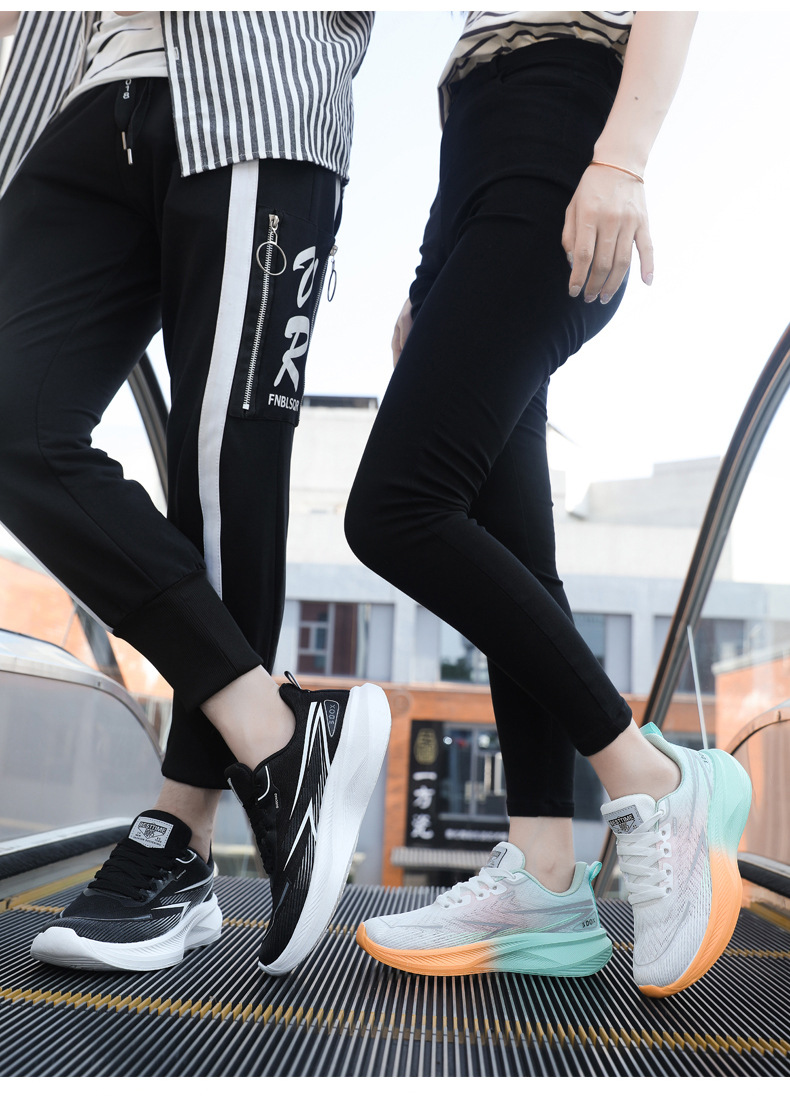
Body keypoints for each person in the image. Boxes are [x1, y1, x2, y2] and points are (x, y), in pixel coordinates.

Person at [345, 10, 753, 998]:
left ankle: (653, 779)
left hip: (559, 138)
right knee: (509, 545)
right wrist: (429, 276)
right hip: (477, 160)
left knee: (395, 508)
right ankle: (544, 875)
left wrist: (622, 158)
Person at [0, 10, 391, 976]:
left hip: (249, 83)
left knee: (223, 466)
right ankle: (278, 734)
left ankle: (181, 838)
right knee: (13, 420)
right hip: (76, 97)